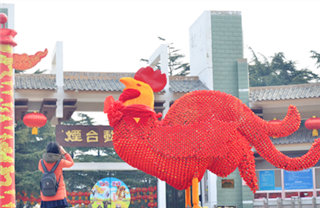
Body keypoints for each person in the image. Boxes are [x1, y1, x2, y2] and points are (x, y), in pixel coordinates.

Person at [38, 141, 74, 208]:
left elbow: (40, 169)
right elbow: (71, 163)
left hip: (46, 196)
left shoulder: (41, 162)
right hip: (59, 197)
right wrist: (64, 153)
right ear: (58, 150)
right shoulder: (60, 162)